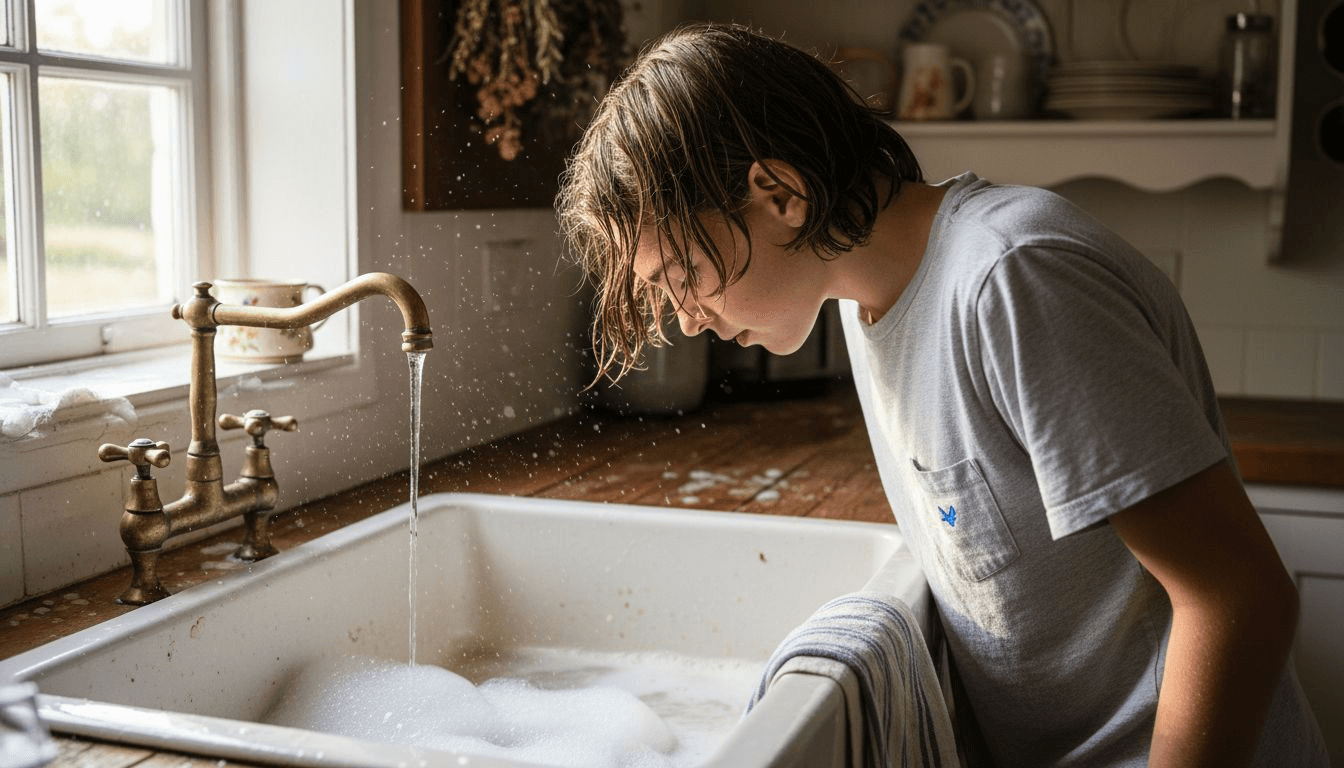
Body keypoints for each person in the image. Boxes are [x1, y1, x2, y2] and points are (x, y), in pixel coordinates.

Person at [554, 21, 1329, 768]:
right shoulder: (866, 308)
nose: (688, 318)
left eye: (683, 275)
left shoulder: (1013, 277)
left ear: (780, 193)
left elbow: (1239, 598)